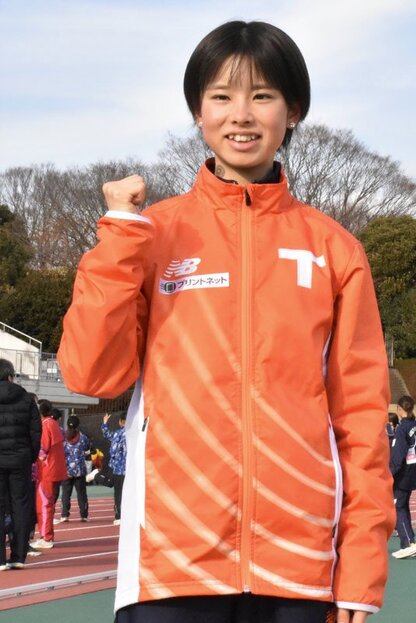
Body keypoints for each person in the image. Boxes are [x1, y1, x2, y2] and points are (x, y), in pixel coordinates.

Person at [57, 20, 393, 623]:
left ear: (293, 111)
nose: (242, 115)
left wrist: (361, 569)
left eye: (262, 95)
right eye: (222, 96)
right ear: (197, 112)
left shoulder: (333, 250)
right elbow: (92, 375)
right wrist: (117, 240)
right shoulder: (150, 234)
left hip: (299, 563)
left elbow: (361, 417)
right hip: (171, 558)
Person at [0, 359, 41, 570]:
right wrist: (30, 456)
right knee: (21, 506)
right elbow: (35, 432)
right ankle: (18, 555)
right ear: (11, 375)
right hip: (20, 459)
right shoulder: (26, 398)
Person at [31, 400, 67, 550]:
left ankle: (46, 537)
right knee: (47, 503)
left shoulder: (45, 424)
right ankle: (46, 535)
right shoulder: (53, 423)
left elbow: (42, 449)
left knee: (44, 504)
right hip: (53, 469)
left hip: (46, 470)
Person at [389, 395, 416, 559]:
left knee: (397, 507)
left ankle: (407, 543)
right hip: (413, 471)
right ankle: (410, 542)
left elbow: (399, 454)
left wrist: (390, 473)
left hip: (402, 473)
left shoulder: (401, 429)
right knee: (403, 506)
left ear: (399, 409)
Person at [57, 415, 91, 524]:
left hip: (66, 470)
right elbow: (87, 449)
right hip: (80, 470)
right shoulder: (83, 438)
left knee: (66, 493)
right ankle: (84, 515)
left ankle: (64, 515)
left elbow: (60, 452)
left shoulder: (63, 437)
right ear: (78, 425)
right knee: (81, 494)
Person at [100, 413, 126, 526]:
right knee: (126, 492)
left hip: (117, 468)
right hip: (128, 468)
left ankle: (119, 515)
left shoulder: (117, 433)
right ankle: (124, 515)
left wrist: (105, 423)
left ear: (121, 421)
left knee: (118, 492)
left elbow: (107, 434)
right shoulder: (134, 434)